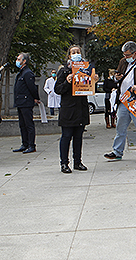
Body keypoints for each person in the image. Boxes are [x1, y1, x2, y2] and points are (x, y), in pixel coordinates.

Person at [104, 41, 136, 163]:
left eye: (127, 55)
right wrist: (117, 77)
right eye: (124, 55)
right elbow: (120, 75)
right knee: (120, 127)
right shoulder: (123, 62)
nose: (125, 57)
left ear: (135, 54)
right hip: (124, 100)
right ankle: (117, 152)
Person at [55, 45, 96, 174]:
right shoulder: (64, 71)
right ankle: (64, 163)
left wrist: (94, 80)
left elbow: (89, 88)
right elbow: (58, 89)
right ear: (69, 56)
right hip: (68, 110)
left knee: (78, 137)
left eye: (78, 52)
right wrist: (67, 81)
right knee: (66, 136)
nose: (76, 54)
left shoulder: (86, 69)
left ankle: (77, 161)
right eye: (73, 52)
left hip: (81, 108)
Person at [13, 52, 40, 154]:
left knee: (28, 124)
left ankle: (31, 145)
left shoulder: (27, 73)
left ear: (24, 61)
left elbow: (32, 87)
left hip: (26, 102)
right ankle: (24, 144)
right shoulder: (21, 72)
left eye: (19, 59)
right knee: (22, 124)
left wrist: (36, 98)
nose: (17, 61)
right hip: (20, 102)